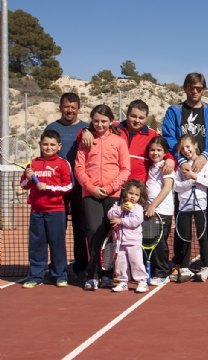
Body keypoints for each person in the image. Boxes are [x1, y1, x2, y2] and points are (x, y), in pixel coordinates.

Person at [162, 72, 208, 272]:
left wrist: (205, 155)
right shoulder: (174, 111)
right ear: (185, 88)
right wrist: (181, 160)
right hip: (183, 170)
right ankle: (181, 261)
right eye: (191, 87)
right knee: (183, 218)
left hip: (205, 168)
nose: (195, 91)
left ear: (203, 89)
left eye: (199, 88)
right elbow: (169, 137)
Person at [75, 105, 131, 291]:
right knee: (93, 232)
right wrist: (91, 188)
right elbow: (79, 168)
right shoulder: (85, 140)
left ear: (110, 122)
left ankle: (108, 274)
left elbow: (125, 170)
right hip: (90, 195)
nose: (100, 124)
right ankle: (92, 275)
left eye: (104, 121)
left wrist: (108, 188)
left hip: (112, 194)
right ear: (92, 120)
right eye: (96, 121)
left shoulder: (119, 141)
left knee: (110, 234)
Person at [44, 93, 88, 282]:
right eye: (66, 106)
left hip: (79, 188)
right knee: (56, 231)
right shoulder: (51, 128)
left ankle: (81, 268)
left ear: (79, 108)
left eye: (73, 107)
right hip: (57, 190)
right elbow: (45, 156)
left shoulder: (87, 128)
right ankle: (56, 269)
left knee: (81, 230)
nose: (69, 110)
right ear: (60, 107)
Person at [20, 130, 73, 288]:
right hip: (36, 211)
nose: (48, 148)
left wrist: (48, 187)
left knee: (57, 243)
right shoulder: (33, 164)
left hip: (56, 211)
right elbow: (23, 185)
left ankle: (60, 275)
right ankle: (36, 275)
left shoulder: (63, 163)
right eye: (45, 144)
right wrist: (28, 177)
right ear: (40, 145)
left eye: (52, 145)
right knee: (37, 244)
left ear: (59, 146)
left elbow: (69, 186)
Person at [82, 100, 175, 182]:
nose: (137, 120)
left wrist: (170, 159)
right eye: (133, 116)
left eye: (141, 118)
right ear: (127, 115)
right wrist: (86, 131)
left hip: (136, 190)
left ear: (146, 118)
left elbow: (164, 150)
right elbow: (95, 128)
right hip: (112, 185)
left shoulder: (152, 135)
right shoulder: (114, 127)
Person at [173, 134, 208, 282]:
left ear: (195, 146)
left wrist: (194, 176)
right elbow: (176, 186)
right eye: (182, 148)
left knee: (202, 236)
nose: (185, 150)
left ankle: (206, 266)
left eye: (188, 146)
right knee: (185, 237)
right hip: (184, 206)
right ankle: (184, 267)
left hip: (200, 206)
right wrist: (190, 182)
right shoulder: (180, 165)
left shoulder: (205, 163)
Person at [108, 180, 148, 293]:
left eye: (136, 195)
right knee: (120, 263)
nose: (133, 197)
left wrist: (121, 220)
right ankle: (123, 282)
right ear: (125, 193)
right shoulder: (118, 205)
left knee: (136, 262)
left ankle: (142, 281)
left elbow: (136, 221)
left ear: (140, 197)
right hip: (119, 241)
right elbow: (110, 214)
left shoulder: (138, 208)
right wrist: (120, 209)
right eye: (131, 193)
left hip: (133, 241)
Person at [145, 136, 175, 285]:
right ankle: (155, 270)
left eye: (158, 150)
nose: (155, 153)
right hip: (151, 211)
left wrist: (153, 205)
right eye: (152, 150)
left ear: (165, 153)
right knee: (152, 241)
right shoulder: (151, 167)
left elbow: (167, 187)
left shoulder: (166, 167)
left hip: (161, 211)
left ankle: (163, 272)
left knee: (160, 243)